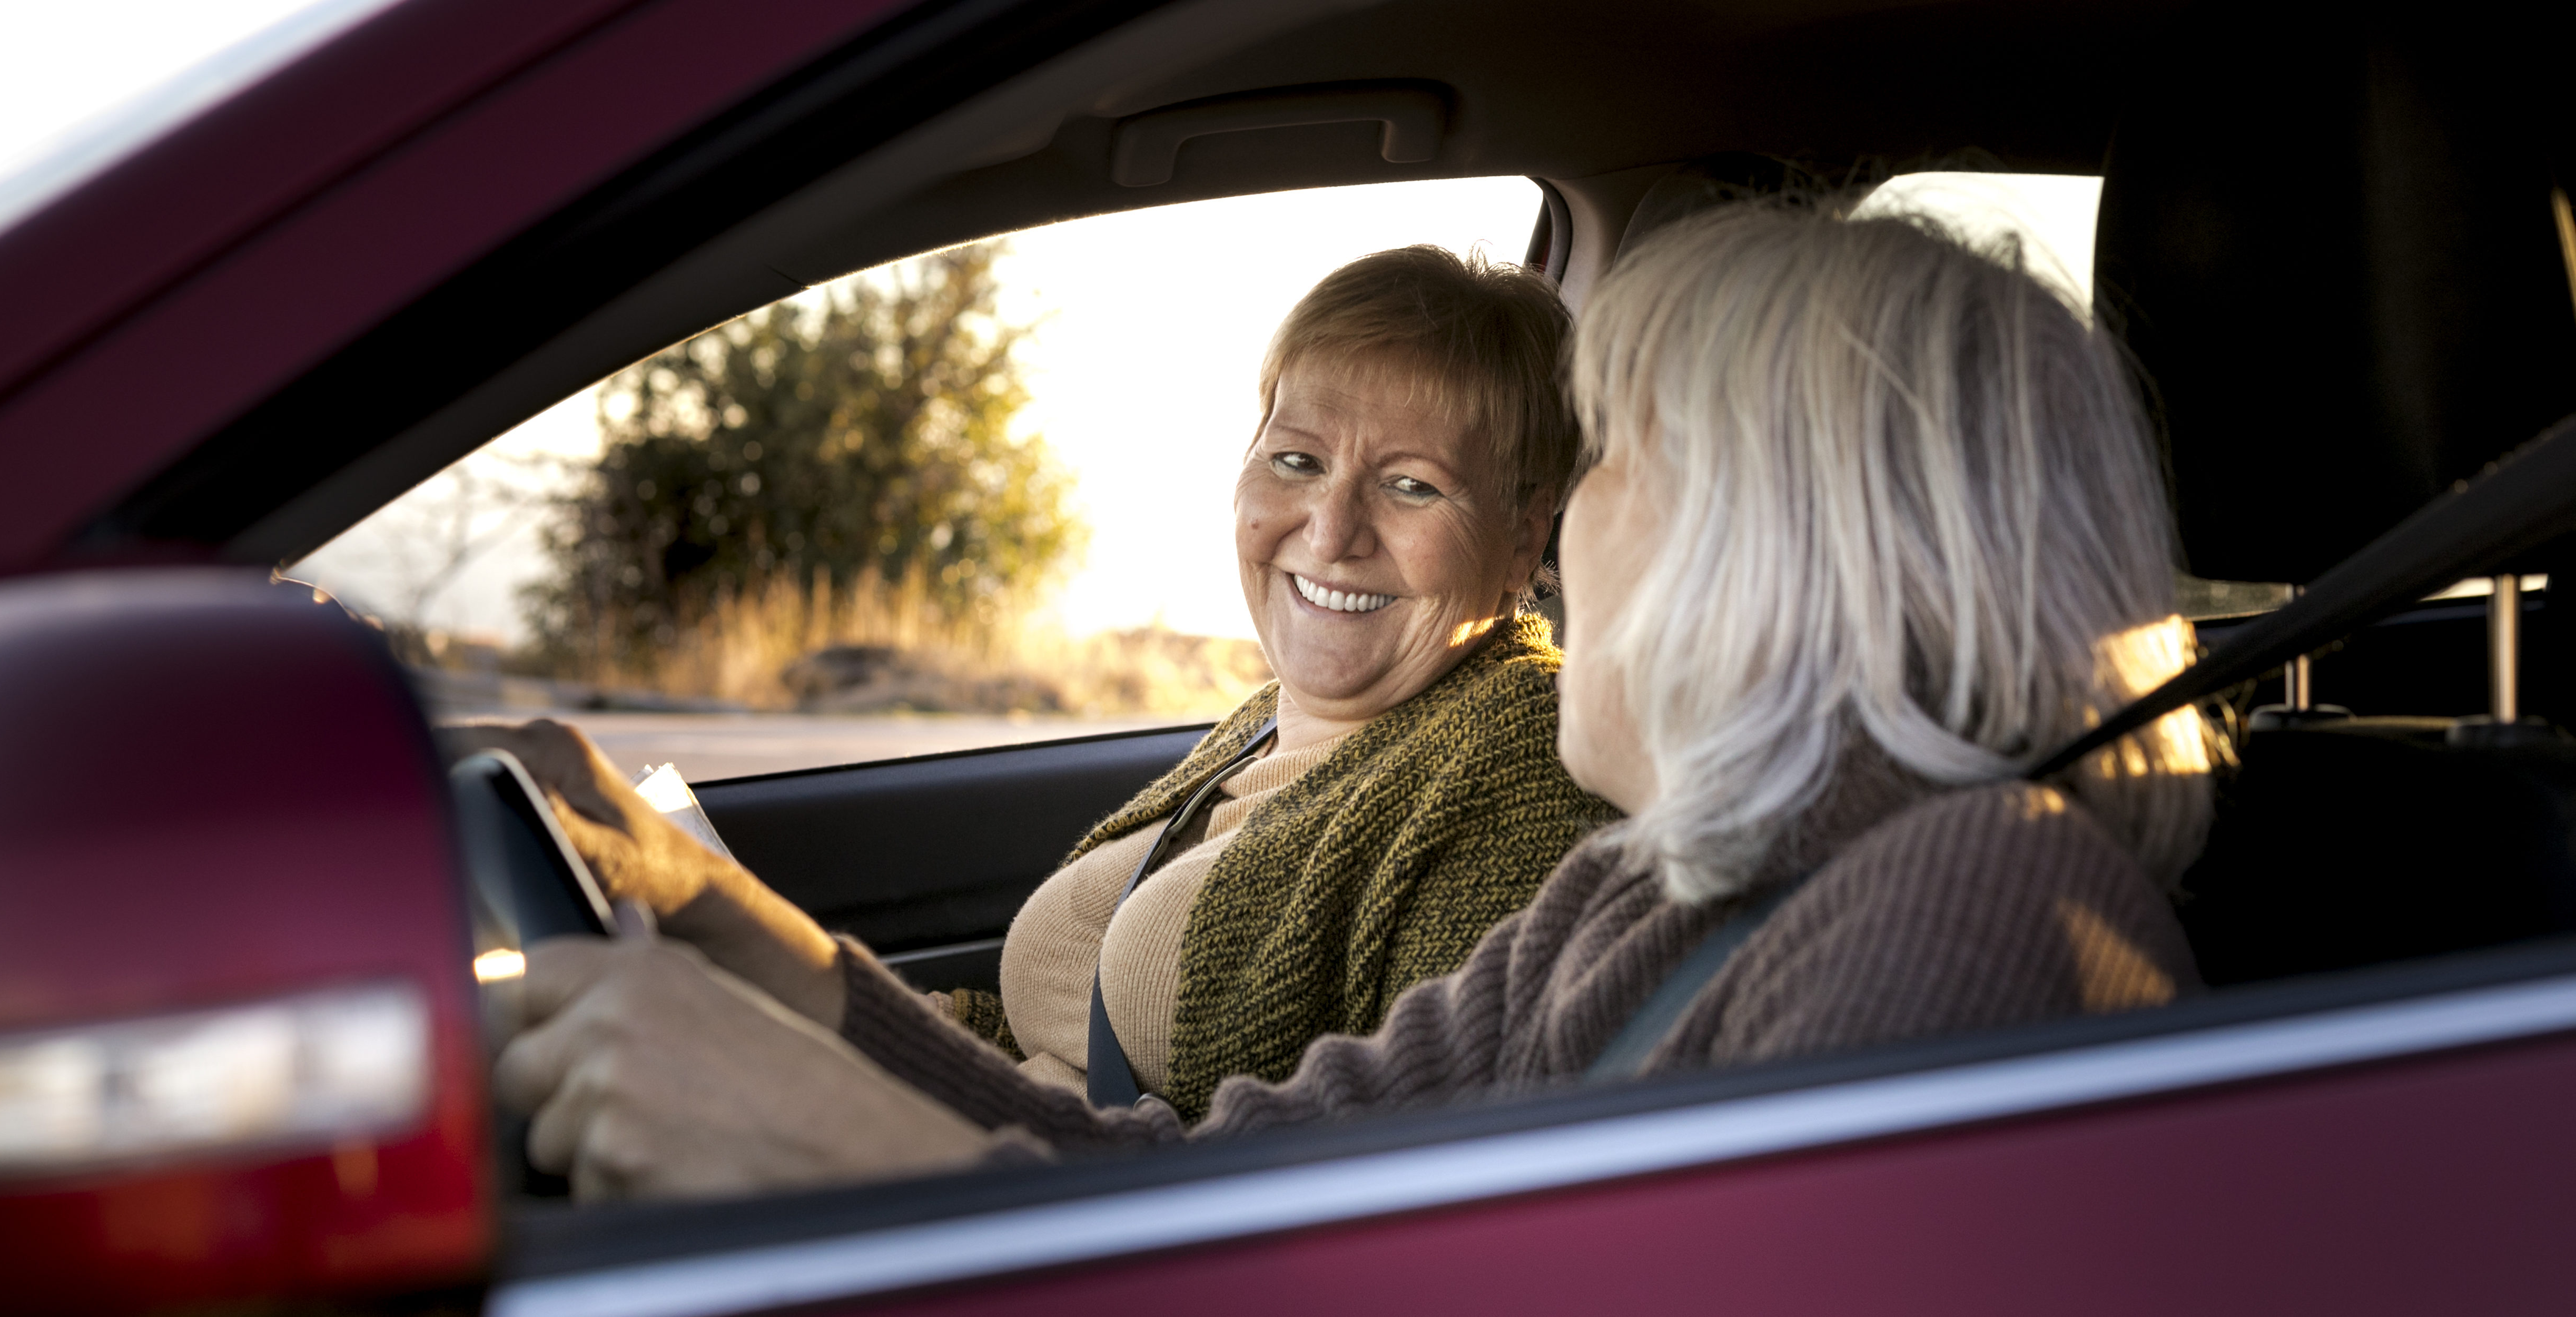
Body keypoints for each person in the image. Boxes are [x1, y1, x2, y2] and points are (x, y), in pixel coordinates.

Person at [489, 201, 2218, 1199]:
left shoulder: (1976, 923)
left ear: (1786, 543)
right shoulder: (1665, 892)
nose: (1558, 545)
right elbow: (1219, 1185)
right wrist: (719, 919)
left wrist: (855, 1167)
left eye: (1608, 465)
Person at [457, 244, 1617, 1165]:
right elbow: (1023, 1060)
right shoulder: (1266, 720)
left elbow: (1335, 1204)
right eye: (1298, 460)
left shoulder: (1517, 770)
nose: (1330, 529)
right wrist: (703, 900)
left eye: (1411, 484)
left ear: (1526, 532)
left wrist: (821, 1129)